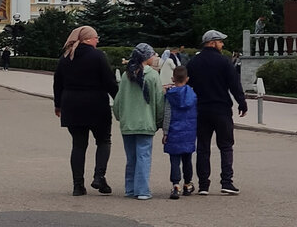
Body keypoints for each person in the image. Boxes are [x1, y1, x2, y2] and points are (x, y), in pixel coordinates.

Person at [53, 25, 118, 197]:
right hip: (96, 104)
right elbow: (109, 81)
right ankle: (99, 176)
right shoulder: (98, 56)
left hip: (71, 105)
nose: (97, 41)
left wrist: (58, 105)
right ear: (88, 39)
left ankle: (78, 185)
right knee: (104, 141)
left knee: (79, 145)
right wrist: (119, 99)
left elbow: (57, 82)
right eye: (96, 38)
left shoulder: (66, 57)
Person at [186, 29, 247, 195]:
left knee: (203, 147)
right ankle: (226, 182)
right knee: (226, 146)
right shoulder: (224, 62)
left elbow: (186, 85)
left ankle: (203, 185)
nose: (222, 44)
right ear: (212, 42)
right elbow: (234, 84)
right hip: (221, 109)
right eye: (220, 41)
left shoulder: (194, 62)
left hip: (201, 110)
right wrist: (241, 102)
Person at [112, 42, 163, 200]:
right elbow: (158, 101)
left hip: (128, 122)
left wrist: (121, 117)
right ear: (146, 57)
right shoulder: (153, 76)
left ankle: (130, 188)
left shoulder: (127, 76)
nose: (154, 57)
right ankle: (142, 190)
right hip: (146, 122)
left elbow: (118, 101)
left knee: (131, 158)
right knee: (143, 156)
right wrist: (159, 121)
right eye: (152, 55)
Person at [163, 64, 197, 199]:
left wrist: (165, 132)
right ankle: (187, 184)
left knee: (174, 160)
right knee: (187, 160)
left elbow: (167, 114)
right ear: (187, 79)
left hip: (174, 131)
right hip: (189, 131)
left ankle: (175, 184)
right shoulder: (193, 95)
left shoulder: (170, 95)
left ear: (173, 78)